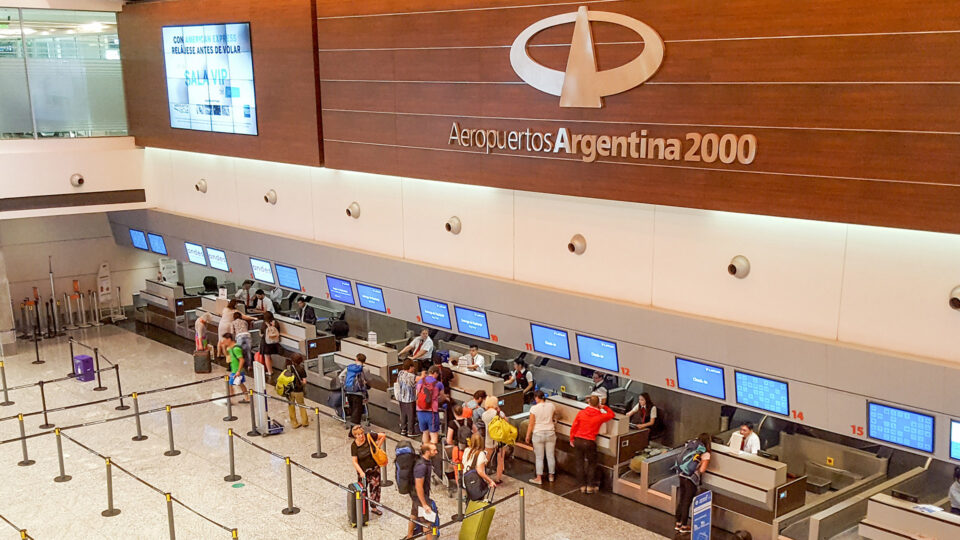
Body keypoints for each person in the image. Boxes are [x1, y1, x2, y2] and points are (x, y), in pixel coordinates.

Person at [569, 395, 615, 494]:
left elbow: (574, 426)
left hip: (578, 440)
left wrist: (571, 438)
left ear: (589, 403)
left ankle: (582, 486)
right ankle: (590, 486)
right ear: (598, 404)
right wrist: (604, 407)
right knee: (591, 464)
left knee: (579, 463)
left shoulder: (581, 413)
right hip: (590, 442)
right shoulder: (600, 416)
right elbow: (611, 415)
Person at [675, 433, 712, 533]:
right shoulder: (705, 453)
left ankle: (678, 523)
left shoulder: (691, 446)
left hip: (682, 475)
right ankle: (684, 526)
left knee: (681, 499)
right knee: (687, 502)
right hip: (691, 479)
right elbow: (703, 469)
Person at [350, 424, 387, 516]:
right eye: (358, 435)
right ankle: (363, 508)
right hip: (363, 471)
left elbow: (383, 435)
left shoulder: (369, 436)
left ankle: (374, 507)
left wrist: (377, 447)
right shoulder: (354, 446)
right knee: (363, 489)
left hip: (374, 468)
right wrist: (361, 472)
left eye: (362, 433)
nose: (361, 436)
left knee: (375, 488)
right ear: (355, 435)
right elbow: (354, 461)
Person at [407, 442, 439, 540]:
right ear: (427, 452)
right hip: (420, 496)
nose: (436, 452)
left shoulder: (425, 461)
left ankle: (410, 536)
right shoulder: (421, 466)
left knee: (414, 514)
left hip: (416, 495)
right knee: (427, 522)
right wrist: (424, 504)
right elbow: (419, 486)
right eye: (434, 450)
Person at [525, 390, 557, 484]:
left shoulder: (534, 409)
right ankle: (551, 476)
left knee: (539, 457)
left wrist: (527, 435)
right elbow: (553, 417)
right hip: (550, 433)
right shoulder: (551, 406)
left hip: (538, 433)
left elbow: (531, 424)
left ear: (536, 398)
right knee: (550, 456)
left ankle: (539, 478)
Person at [462, 432, 497, 496]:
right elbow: (480, 471)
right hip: (476, 483)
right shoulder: (481, 454)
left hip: (466, 480)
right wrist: (490, 481)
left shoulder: (466, 450)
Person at [416, 365, 444, 445]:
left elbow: (417, 395)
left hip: (420, 411)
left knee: (425, 432)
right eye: (437, 374)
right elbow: (442, 397)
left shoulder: (421, 381)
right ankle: (432, 454)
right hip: (432, 412)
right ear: (435, 373)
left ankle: (425, 452)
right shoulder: (439, 384)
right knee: (433, 434)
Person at [481, 396, 506, 484]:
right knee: (500, 459)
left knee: (485, 458)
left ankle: (481, 475)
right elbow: (506, 421)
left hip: (489, 438)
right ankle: (498, 478)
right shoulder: (499, 413)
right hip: (500, 439)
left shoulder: (484, 415)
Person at [341, 353, 368, 428]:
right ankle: (354, 430)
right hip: (358, 392)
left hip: (349, 391)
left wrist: (344, 384)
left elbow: (341, 376)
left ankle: (354, 429)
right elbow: (368, 379)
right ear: (364, 361)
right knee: (357, 412)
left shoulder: (349, 367)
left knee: (353, 410)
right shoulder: (365, 369)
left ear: (356, 359)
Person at [221, 333, 249, 404]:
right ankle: (247, 397)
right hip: (235, 370)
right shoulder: (230, 348)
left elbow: (241, 360)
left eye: (225, 340)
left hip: (237, 370)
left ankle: (230, 400)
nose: (224, 342)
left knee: (230, 385)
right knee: (240, 384)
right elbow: (227, 355)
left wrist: (238, 371)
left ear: (229, 339)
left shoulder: (236, 349)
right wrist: (223, 347)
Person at [284, 354, 309, 428]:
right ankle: (305, 422)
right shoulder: (301, 369)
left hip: (290, 390)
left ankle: (294, 423)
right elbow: (304, 381)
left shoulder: (288, 368)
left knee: (291, 406)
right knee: (301, 405)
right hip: (298, 391)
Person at [396, 360, 419, 437]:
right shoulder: (411, 376)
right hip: (410, 399)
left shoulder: (400, 373)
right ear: (410, 367)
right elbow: (419, 379)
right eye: (413, 367)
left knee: (403, 414)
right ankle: (411, 432)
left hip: (401, 397)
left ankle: (403, 429)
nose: (414, 368)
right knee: (411, 415)